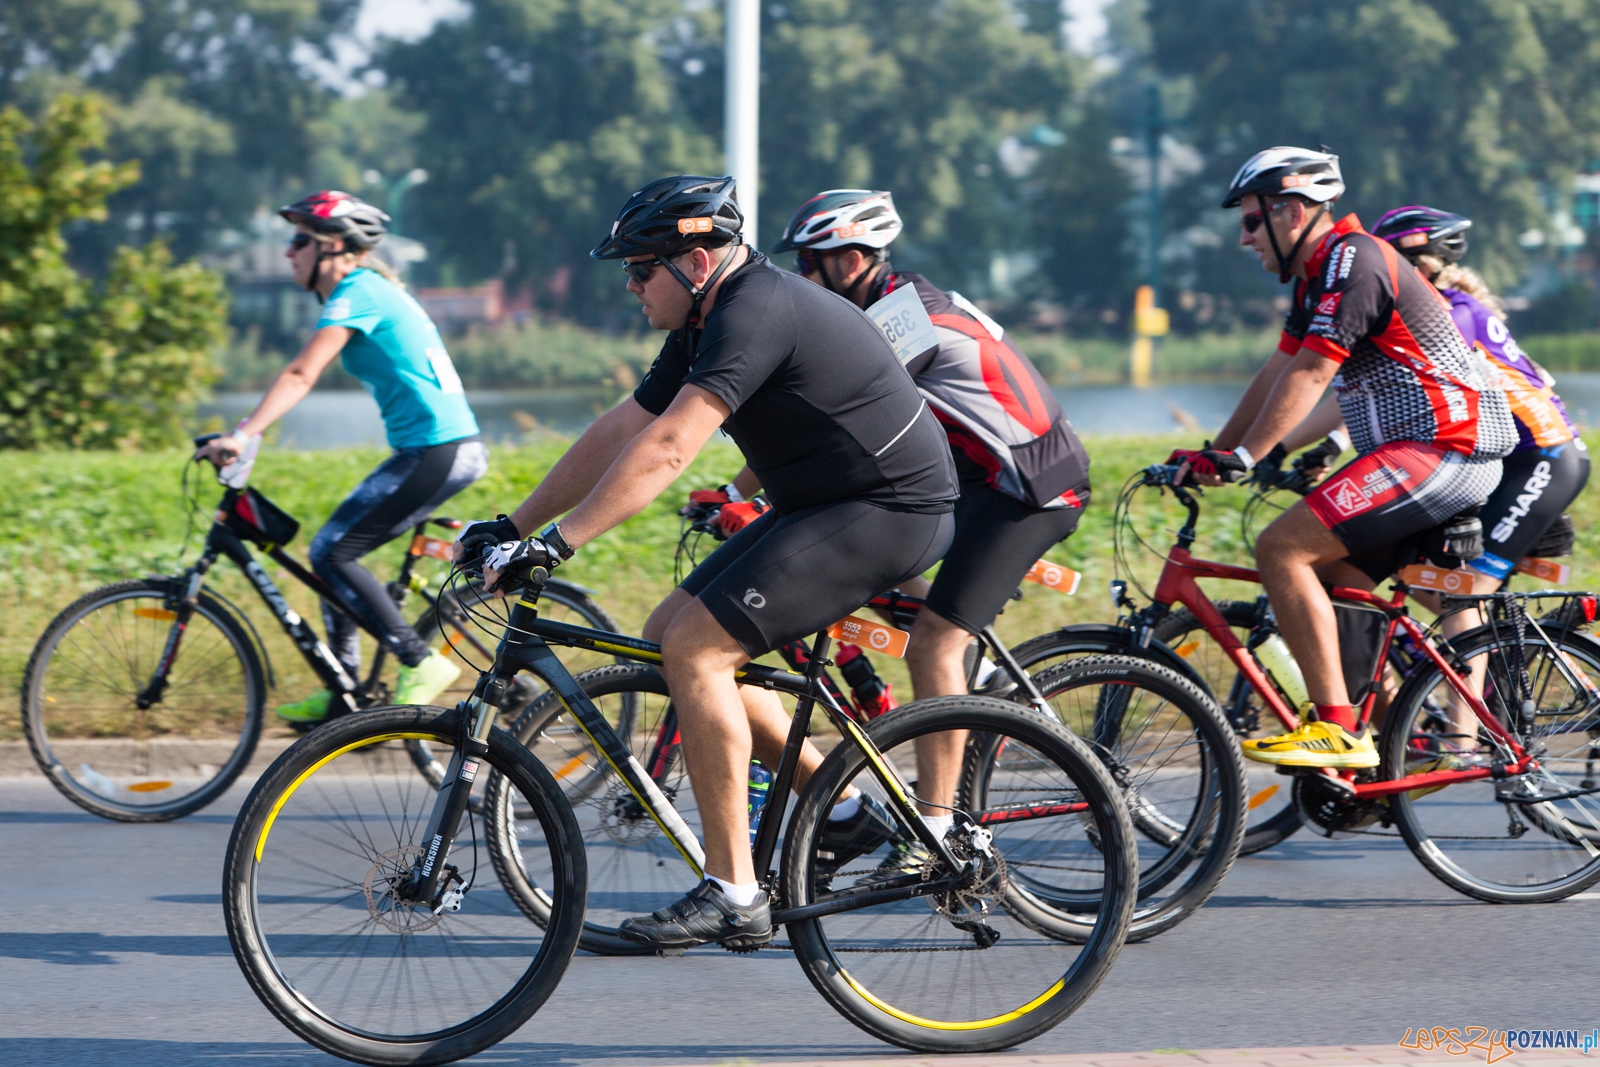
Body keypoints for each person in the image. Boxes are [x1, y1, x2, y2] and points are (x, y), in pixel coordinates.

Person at [456, 175, 958, 949]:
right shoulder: (708, 315)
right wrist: (512, 523)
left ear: (694, 261)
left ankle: (733, 890)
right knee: (669, 635)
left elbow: (668, 448)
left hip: (887, 508)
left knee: (697, 648)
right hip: (822, 503)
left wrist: (556, 546)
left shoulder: (753, 309)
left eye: (639, 268)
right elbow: (626, 424)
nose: (629, 284)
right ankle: (850, 817)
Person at [762, 188, 1092, 879]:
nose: (800, 281)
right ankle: (971, 687)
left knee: (935, 640)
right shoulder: (894, 304)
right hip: (977, 483)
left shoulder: (901, 321)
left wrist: (745, 493)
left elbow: (828, 420)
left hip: (1029, 487)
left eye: (810, 265)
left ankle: (938, 832)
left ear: (851, 259)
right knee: (885, 566)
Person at [1171, 147, 1515, 770]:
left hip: (1443, 447)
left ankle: (1335, 728)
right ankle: (1399, 754)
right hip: (1420, 452)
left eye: (1251, 222)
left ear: (1292, 211)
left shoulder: (1355, 260)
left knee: (1282, 548)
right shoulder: (1318, 275)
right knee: (1340, 585)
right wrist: (1213, 452)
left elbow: (1309, 371)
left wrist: (1247, 456)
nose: (1244, 238)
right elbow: (1274, 370)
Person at [195, 191, 486, 723]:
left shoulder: (358, 292)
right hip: (437, 450)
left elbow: (303, 373)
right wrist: (247, 433)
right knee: (334, 556)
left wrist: (244, 434)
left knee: (332, 551)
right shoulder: (366, 290)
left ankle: (420, 661)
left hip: (438, 451)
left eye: (298, 240)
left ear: (333, 247)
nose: (288, 252)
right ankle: (343, 689)